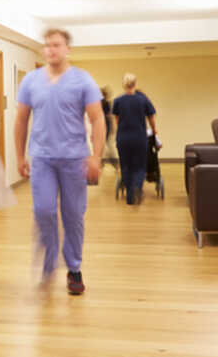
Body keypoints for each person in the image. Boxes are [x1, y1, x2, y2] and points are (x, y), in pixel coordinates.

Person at [14, 28, 105, 295]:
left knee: (73, 215)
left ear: (68, 49)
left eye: (56, 45)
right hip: (42, 158)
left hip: (74, 158)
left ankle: (74, 268)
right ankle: (49, 261)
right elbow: (20, 120)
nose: (51, 49)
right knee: (43, 211)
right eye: (47, 45)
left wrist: (95, 156)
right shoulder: (31, 81)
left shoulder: (82, 80)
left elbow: (98, 118)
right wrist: (20, 156)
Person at [112, 74, 157, 205]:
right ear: (135, 84)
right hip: (139, 137)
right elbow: (151, 117)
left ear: (123, 85)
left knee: (125, 166)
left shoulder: (118, 101)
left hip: (123, 138)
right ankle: (137, 187)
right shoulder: (142, 99)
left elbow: (117, 120)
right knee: (139, 166)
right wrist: (154, 130)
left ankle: (130, 197)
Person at [101, 86, 115, 166]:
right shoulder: (104, 103)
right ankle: (102, 162)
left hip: (104, 127)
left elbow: (109, 116)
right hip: (104, 127)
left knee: (106, 146)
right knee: (105, 146)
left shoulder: (104, 103)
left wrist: (111, 128)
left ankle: (112, 163)